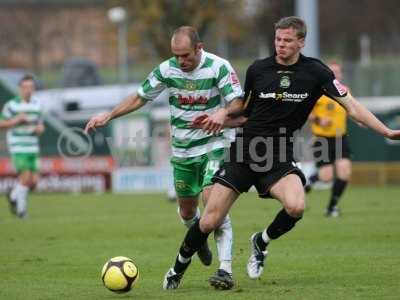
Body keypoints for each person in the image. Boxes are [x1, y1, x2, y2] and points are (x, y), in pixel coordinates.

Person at [162, 16, 400, 290]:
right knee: (210, 219)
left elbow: (353, 107)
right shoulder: (258, 70)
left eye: (287, 40)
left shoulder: (317, 73)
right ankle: (177, 268)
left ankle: (260, 241)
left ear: (301, 42)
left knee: (297, 206)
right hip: (244, 151)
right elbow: (245, 114)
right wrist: (220, 118)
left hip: (278, 155)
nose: (281, 45)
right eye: (277, 40)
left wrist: (385, 131)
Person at [85, 26, 244, 289]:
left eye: (186, 56)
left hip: (215, 145)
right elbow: (140, 97)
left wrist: (222, 114)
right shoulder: (167, 69)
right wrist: (108, 115)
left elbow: (238, 101)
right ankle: (198, 238)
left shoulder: (219, 67)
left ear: (199, 48)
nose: (181, 61)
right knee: (187, 211)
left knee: (213, 205)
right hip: (182, 151)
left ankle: (224, 268)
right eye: (176, 55)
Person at [305, 62, 352, 217]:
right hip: (322, 139)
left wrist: (362, 121)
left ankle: (331, 207)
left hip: (340, 138)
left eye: (338, 72)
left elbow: (353, 110)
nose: (335, 74)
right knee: (327, 176)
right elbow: (307, 113)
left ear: (342, 75)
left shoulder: (345, 92)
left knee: (344, 172)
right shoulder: (318, 92)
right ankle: (310, 181)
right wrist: (319, 120)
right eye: (332, 72)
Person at [0, 74, 45, 218]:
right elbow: (1, 123)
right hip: (18, 145)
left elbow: (40, 125)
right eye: (25, 87)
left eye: (31, 87)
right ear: (20, 88)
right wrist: (16, 120)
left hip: (33, 146)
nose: (28, 90)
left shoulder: (37, 105)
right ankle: (21, 211)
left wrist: (40, 129)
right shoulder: (12, 105)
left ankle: (13, 196)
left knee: (34, 182)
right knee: (25, 178)